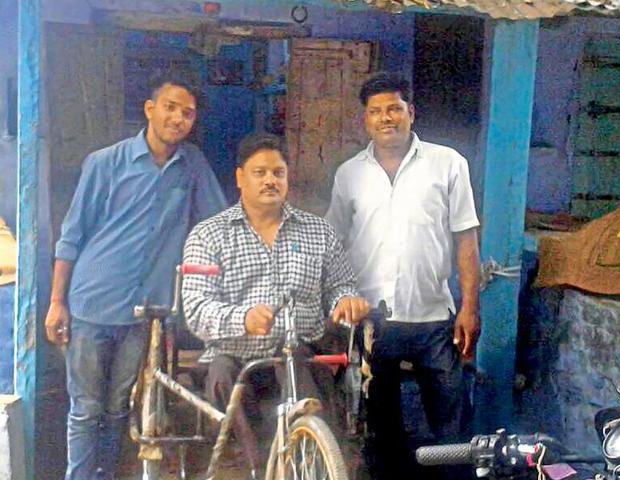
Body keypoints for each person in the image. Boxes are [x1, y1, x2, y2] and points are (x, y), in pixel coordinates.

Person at [44, 71, 227, 480]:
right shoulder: (105, 163)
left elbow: (215, 223)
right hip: (93, 302)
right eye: (170, 108)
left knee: (119, 406)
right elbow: (71, 236)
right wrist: (57, 302)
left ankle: (105, 475)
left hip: (146, 311)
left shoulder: (192, 165)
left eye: (188, 113)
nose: (178, 119)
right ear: (149, 110)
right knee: (86, 408)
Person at [325, 72, 481, 480]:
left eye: (394, 108)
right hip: (374, 325)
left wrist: (470, 307)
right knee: (380, 432)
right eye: (375, 111)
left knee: (452, 427)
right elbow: (333, 244)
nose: (385, 118)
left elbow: (466, 239)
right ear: (365, 120)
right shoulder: (349, 175)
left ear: (411, 112)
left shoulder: (448, 164)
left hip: (434, 319)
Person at [181, 132, 370, 471]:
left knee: (303, 378)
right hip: (233, 355)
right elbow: (196, 309)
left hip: (298, 350)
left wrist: (346, 303)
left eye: (278, 173)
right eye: (260, 173)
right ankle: (258, 468)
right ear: (240, 178)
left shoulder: (318, 232)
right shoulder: (209, 235)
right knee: (224, 379)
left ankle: (309, 460)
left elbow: (342, 285)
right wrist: (243, 319)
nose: (270, 180)